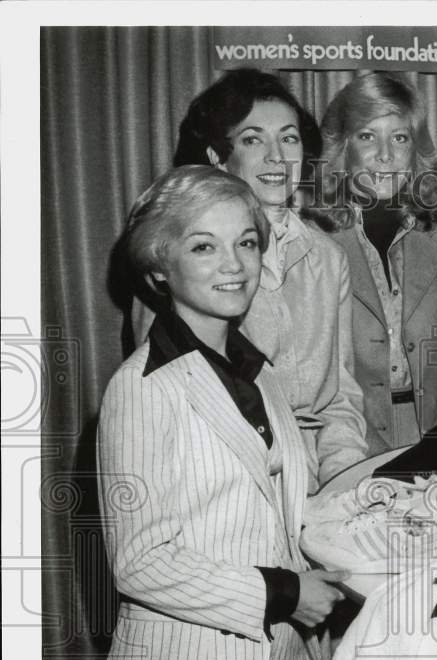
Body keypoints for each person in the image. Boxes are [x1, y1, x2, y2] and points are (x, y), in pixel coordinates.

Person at [95, 166, 347, 660]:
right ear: (159, 265)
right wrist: (285, 594)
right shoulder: (142, 386)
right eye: (203, 246)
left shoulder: (260, 375)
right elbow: (141, 562)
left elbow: (274, 517)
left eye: (247, 243)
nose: (234, 264)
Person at [133, 68, 367, 495]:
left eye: (289, 138)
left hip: (322, 479)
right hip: (230, 489)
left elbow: (340, 399)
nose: (277, 156)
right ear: (219, 158)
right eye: (253, 139)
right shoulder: (181, 262)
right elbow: (169, 415)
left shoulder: (330, 258)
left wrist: (342, 486)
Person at [315, 72, 437, 457]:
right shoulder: (315, 245)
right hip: (348, 443)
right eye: (367, 136)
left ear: (416, 151)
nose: (385, 155)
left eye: (399, 137)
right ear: (343, 150)